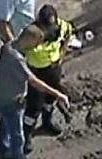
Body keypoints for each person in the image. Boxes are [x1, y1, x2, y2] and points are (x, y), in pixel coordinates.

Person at [0, 25, 70, 159]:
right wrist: (58, 94)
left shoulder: (7, 47)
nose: (37, 47)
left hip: (2, 95)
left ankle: (4, 150)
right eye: (37, 43)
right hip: (14, 100)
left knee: (4, 123)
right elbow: (33, 81)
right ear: (30, 41)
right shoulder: (17, 59)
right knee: (18, 138)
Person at [23, 4, 75, 151]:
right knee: (33, 108)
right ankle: (26, 136)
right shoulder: (32, 34)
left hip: (53, 69)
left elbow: (68, 35)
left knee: (49, 100)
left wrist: (62, 54)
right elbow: (18, 49)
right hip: (36, 72)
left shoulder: (62, 26)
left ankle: (47, 123)